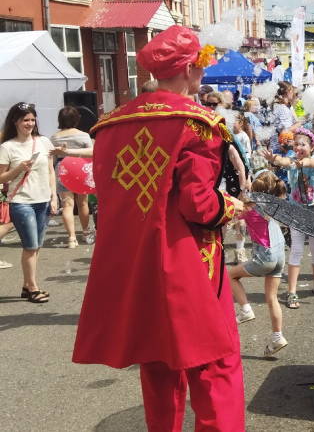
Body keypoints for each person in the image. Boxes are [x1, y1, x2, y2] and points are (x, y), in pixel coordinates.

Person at [72, 25, 247, 430]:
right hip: (190, 261)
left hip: (137, 262)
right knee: (215, 363)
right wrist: (230, 206)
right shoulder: (198, 123)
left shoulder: (109, 125)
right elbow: (198, 204)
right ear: (189, 69)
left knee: (158, 361)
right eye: (201, 66)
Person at [262, 129, 314, 309]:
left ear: (312, 146)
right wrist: (274, 159)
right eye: (296, 144)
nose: (298, 147)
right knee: (296, 250)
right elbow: (284, 161)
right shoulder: (292, 160)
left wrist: (302, 162)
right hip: (296, 212)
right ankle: (291, 291)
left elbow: (312, 162)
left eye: (303, 144)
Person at [0, 102, 56, 303]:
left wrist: (54, 196)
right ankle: (32, 287)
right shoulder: (8, 147)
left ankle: (27, 285)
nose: (30, 123)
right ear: (15, 121)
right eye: (25, 120)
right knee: (31, 246)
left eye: (32, 120)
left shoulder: (42, 142)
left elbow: (50, 171)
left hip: (43, 200)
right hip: (21, 201)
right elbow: (2, 178)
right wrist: (19, 169)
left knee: (37, 246)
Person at [229, 171, 288, 355]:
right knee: (272, 299)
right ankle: (277, 337)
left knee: (228, 275)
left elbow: (230, 215)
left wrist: (239, 198)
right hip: (279, 256)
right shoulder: (274, 207)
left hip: (265, 257)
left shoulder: (249, 209)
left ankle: (245, 309)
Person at [49, 106, 94, 248]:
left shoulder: (54, 137)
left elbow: (54, 158)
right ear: (76, 119)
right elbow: (92, 153)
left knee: (67, 204)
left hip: (63, 168)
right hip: (81, 168)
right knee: (83, 203)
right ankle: (86, 232)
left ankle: (71, 238)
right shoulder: (83, 135)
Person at [271, 81, 303, 154]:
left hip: (280, 146)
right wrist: (302, 121)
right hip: (281, 148)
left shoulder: (282, 106)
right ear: (287, 92)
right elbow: (286, 130)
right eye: (291, 90)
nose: (293, 93)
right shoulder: (282, 108)